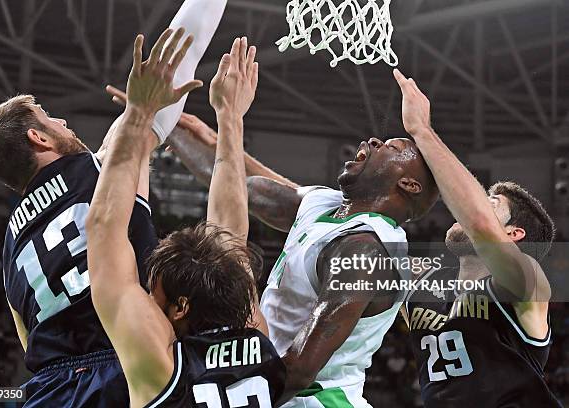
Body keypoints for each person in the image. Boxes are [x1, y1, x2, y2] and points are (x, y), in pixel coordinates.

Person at [0, 0, 227, 403]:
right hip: (123, 361)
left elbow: (28, 341)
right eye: (49, 117)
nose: (63, 122)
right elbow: (174, 60)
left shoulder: (10, 246)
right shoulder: (101, 167)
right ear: (39, 138)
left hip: (48, 389)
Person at [158, 104, 439, 406]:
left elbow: (300, 369)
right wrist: (160, 126)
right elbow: (236, 188)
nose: (373, 142)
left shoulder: (366, 250)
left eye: (390, 147)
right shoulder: (326, 206)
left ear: (408, 184)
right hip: (272, 386)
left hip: (312, 399)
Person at [86, 34, 285, 408]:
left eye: (153, 290)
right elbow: (230, 233)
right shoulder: (257, 338)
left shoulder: (160, 366)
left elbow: (103, 228)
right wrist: (230, 118)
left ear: (180, 308)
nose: (147, 296)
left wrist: (139, 115)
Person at [393, 68, 562, 407]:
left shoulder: (528, 283)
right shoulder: (425, 282)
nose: (467, 209)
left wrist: (422, 131)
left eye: (490, 203)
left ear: (514, 234)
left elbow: (481, 226)